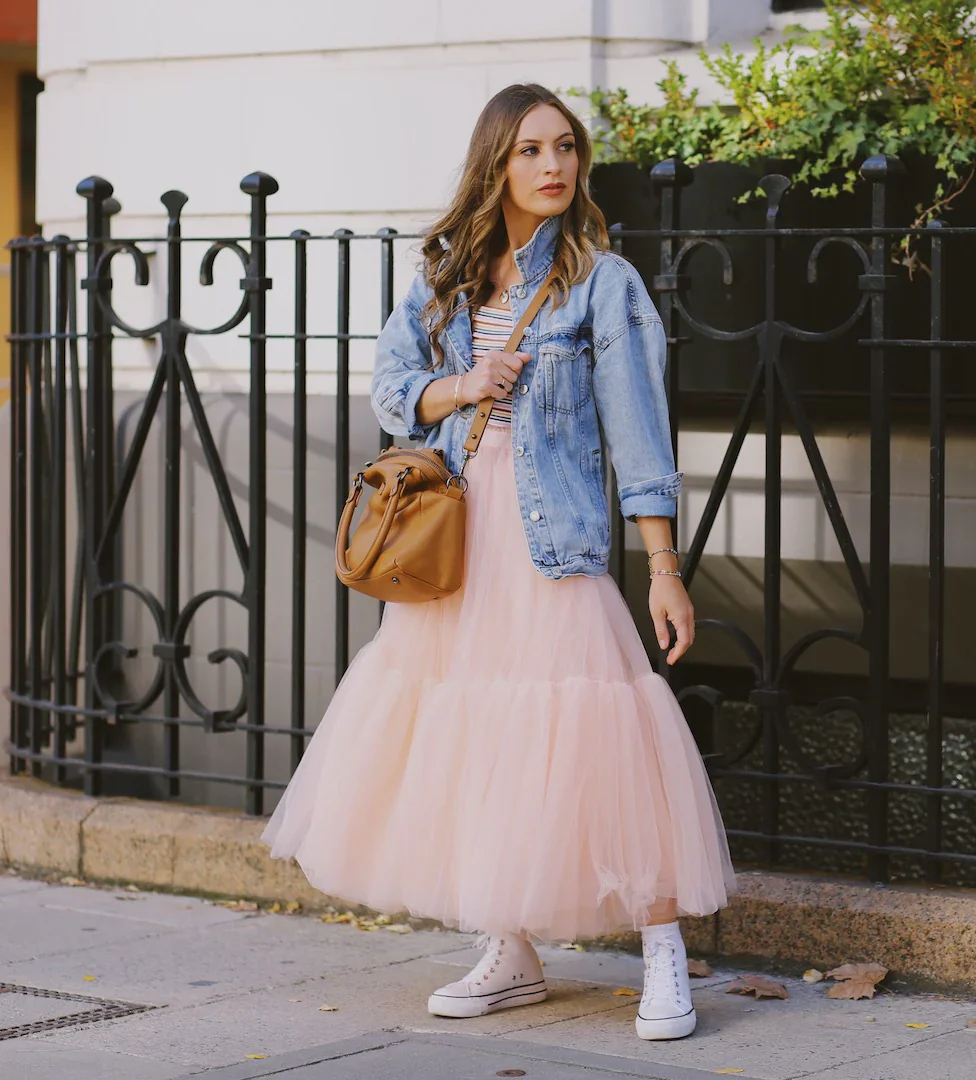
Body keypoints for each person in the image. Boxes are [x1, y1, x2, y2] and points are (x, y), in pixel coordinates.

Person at [261, 83, 735, 1043]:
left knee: (605, 740)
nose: (554, 166)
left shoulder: (604, 283)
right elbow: (392, 390)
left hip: (552, 547)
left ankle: (661, 952)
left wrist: (663, 568)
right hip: (457, 551)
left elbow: (639, 438)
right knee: (478, 746)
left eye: (565, 148)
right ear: (496, 164)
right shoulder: (441, 278)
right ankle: (512, 951)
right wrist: (458, 385)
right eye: (530, 151)